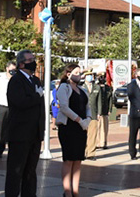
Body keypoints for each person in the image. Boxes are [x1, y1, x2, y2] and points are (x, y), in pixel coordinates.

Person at [5, 49, 44, 197]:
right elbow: (20, 102)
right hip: (20, 133)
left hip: (34, 133)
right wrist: (36, 96)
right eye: (30, 60)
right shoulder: (16, 81)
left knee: (30, 170)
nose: (33, 62)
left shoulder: (35, 80)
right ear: (21, 64)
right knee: (16, 170)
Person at [56, 63, 91, 197]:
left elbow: (87, 105)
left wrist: (88, 118)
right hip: (68, 127)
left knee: (78, 159)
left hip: (81, 128)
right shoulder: (64, 87)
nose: (79, 75)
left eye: (80, 73)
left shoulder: (82, 90)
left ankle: (76, 191)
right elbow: (64, 107)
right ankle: (68, 192)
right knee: (68, 159)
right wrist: (79, 120)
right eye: (76, 72)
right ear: (68, 74)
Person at [0, 61, 16, 159]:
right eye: (11, 70)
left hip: (13, 107)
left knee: (12, 129)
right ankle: (0, 150)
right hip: (2, 106)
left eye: (14, 70)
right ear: (7, 68)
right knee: (1, 129)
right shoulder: (0, 80)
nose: (12, 72)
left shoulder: (16, 80)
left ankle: (12, 150)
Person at [94, 74, 114, 151]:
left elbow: (110, 100)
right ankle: (97, 142)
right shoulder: (95, 87)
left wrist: (109, 109)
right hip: (97, 111)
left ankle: (103, 142)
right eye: (100, 77)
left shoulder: (108, 88)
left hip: (105, 110)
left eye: (103, 77)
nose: (102, 79)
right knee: (97, 127)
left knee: (104, 128)